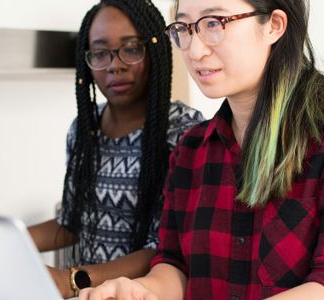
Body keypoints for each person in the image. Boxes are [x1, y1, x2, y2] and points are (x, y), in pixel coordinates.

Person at [80, 0, 324, 299]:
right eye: (184, 28)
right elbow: (175, 265)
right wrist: (140, 290)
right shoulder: (192, 148)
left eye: (214, 24)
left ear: (274, 26)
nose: (195, 51)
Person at [27, 0, 204, 298]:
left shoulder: (185, 131)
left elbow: (165, 248)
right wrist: (3, 242)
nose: (114, 64)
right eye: (99, 53)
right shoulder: (84, 129)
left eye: (131, 48)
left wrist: (72, 279)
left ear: (155, 51)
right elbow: (70, 223)